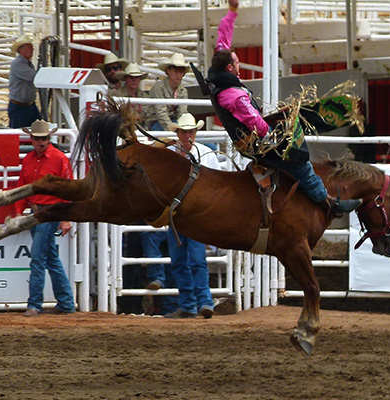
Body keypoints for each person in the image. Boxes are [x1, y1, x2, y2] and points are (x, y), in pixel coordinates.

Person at [206, 0, 360, 216]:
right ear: (230, 67)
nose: (240, 65)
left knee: (290, 126)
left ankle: (270, 174)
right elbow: (253, 120)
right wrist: (273, 137)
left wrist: (232, 12)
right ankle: (329, 204)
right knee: (298, 160)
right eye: (238, 63)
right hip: (252, 141)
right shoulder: (234, 97)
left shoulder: (219, 72)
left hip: (250, 135)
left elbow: (223, 37)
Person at [15, 120, 76, 316]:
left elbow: (68, 189)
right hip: (38, 212)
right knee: (50, 258)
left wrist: (65, 217)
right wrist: (19, 211)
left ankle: (34, 304)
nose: (41, 142)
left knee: (38, 257)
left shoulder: (58, 159)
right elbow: (24, 186)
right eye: (38, 138)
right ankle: (66, 302)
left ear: (49, 139)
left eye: (44, 138)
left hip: (49, 212)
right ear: (31, 139)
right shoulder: (31, 159)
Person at [163, 113, 220, 319]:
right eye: (184, 132)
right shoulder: (170, 153)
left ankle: (200, 302)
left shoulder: (205, 154)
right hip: (178, 215)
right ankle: (193, 304)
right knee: (180, 261)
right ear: (178, 133)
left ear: (195, 133)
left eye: (190, 132)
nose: (188, 136)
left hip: (196, 215)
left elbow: (217, 186)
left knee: (195, 260)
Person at [144, 52, 189, 131]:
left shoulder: (183, 91)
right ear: (168, 71)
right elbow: (161, 114)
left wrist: (184, 127)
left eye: (181, 72)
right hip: (155, 122)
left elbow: (182, 113)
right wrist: (175, 130)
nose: (178, 75)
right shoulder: (158, 88)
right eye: (176, 71)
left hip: (174, 123)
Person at [8, 34, 41, 129]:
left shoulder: (26, 64)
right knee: (29, 132)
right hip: (20, 107)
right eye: (29, 47)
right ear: (21, 49)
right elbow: (33, 77)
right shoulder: (18, 64)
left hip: (26, 105)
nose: (32, 50)